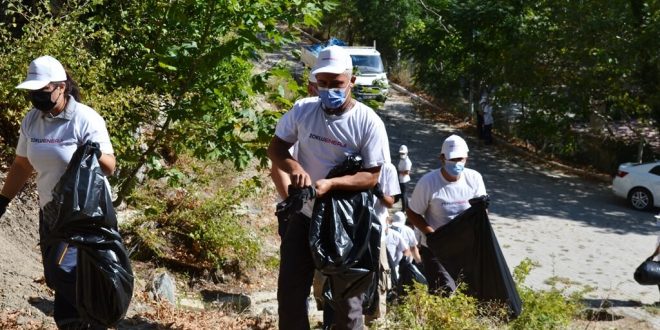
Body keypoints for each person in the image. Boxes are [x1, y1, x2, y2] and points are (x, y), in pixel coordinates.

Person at [267, 45, 390, 330]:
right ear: (314, 83)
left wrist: (332, 184)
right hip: (305, 215)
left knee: (347, 303)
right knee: (290, 295)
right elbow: (276, 148)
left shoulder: (367, 122)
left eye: (336, 84)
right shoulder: (303, 110)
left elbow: (371, 176)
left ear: (352, 81)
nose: (329, 90)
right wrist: (295, 168)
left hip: (346, 222)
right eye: (322, 84)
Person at [0, 55, 115, 329]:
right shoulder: (32, 121)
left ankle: (97, 315)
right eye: (33, 92)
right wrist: (3, 199)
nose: (37, 97)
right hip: (50, 211)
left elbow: (110, 166)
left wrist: (91, 152)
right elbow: (22, 164)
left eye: (43, 91)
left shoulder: (85, 119)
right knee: (56, 277)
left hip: (86, 214)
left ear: (61, 87)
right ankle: (74, 322)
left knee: (63, 269)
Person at [406, 134, 486, 294]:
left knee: (468, 293)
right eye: (452, 159)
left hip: (465, 247)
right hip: (437, 248)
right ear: (442, 158)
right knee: (444, 291)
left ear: (466, 158)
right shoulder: (428, 182)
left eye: (460, 159)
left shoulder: (474, 178)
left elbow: (481, 212)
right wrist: (433, 235)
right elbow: (412, 213)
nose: (457, 163)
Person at [365, 161, 399, 324]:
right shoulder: (352, 159)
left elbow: (390, 201)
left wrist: (379, 193)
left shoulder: (388, 168)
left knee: (379, 276)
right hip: (354, 229)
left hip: (377, 232)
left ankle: (375, 319)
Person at [397, 144, 412, 212]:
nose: (401, 154)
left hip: (404, 181)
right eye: (401, 153)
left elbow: (407, 172)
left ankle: (404, 209)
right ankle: (407, 207)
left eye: (403, 153)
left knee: (404, 195)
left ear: (406, 153)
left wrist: (399, 172)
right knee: (403, 195)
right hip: (401, 179)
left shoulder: (407, 162)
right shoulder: (402, 159)